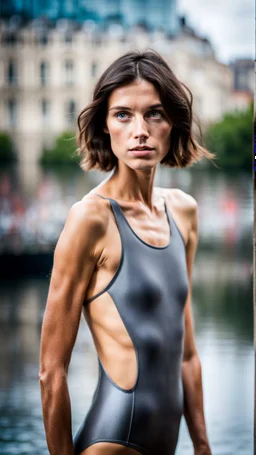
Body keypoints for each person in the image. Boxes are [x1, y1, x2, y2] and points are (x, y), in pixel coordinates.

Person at [39, 50, 215, 455]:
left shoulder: (184, 212)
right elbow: (52, 373)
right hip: (113, 444)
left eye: (154, 113)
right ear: (105, 124)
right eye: (123, 115)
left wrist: (203, 445)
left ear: (173, 122)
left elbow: (186, 354)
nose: (140, 130)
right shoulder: (89, 220)